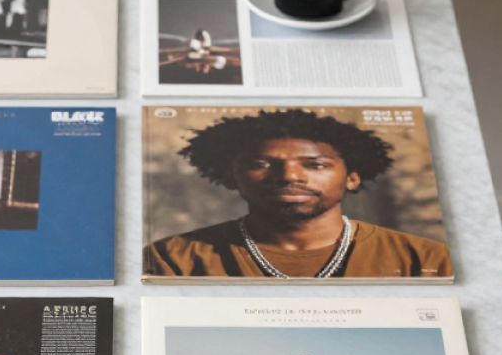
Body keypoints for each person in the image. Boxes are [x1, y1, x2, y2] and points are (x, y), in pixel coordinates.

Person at [143, 108, 451, 279]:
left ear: (352, 178)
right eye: (261, 164)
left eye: (316, 165)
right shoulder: (172, 258)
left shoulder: (427, 259)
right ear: (232, 176)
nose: (289, 176)